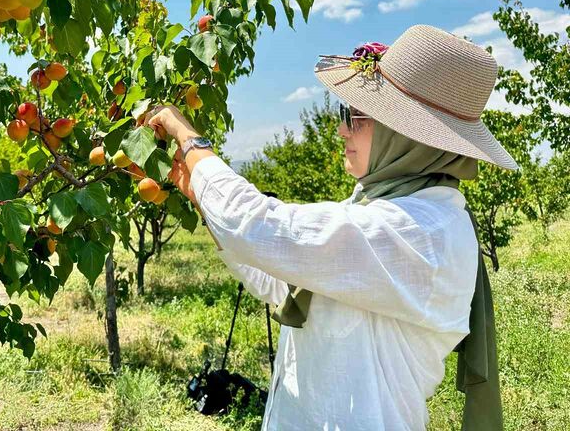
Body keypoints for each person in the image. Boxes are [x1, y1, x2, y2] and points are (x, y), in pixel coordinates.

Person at [145, 25, 515, 431]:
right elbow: (275, 280)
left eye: (355, 118)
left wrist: (189, 140)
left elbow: (262, 227)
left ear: (407, 136)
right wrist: (199, 195)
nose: (341, 129)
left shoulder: (422, 232)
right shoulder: (377, 210)